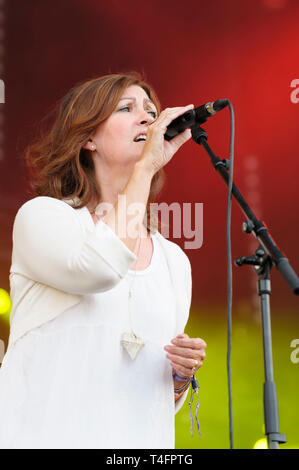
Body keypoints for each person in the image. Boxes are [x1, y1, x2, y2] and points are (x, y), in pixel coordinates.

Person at [0, 72, 207, 449]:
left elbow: (149, 391)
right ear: (88, 139)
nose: (146, 118)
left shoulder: (173, 260)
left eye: (150, 110)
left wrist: (178, 377)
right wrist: (145, 168)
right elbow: (97, 268)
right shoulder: (43, 217)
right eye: (126, 109)